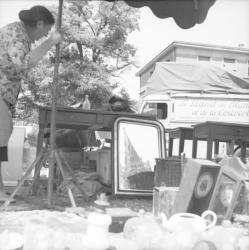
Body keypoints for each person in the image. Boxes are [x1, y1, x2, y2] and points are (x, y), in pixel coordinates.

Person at [0, 5, 63, 202]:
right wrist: (51, 42)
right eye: (45, 32)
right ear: (40, 23)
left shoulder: (22, 36)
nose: (43, 36)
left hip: (6, 94)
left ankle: (0, 188)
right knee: (2, 132)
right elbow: (23, 62)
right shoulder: (15, 32)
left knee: (3, 134)